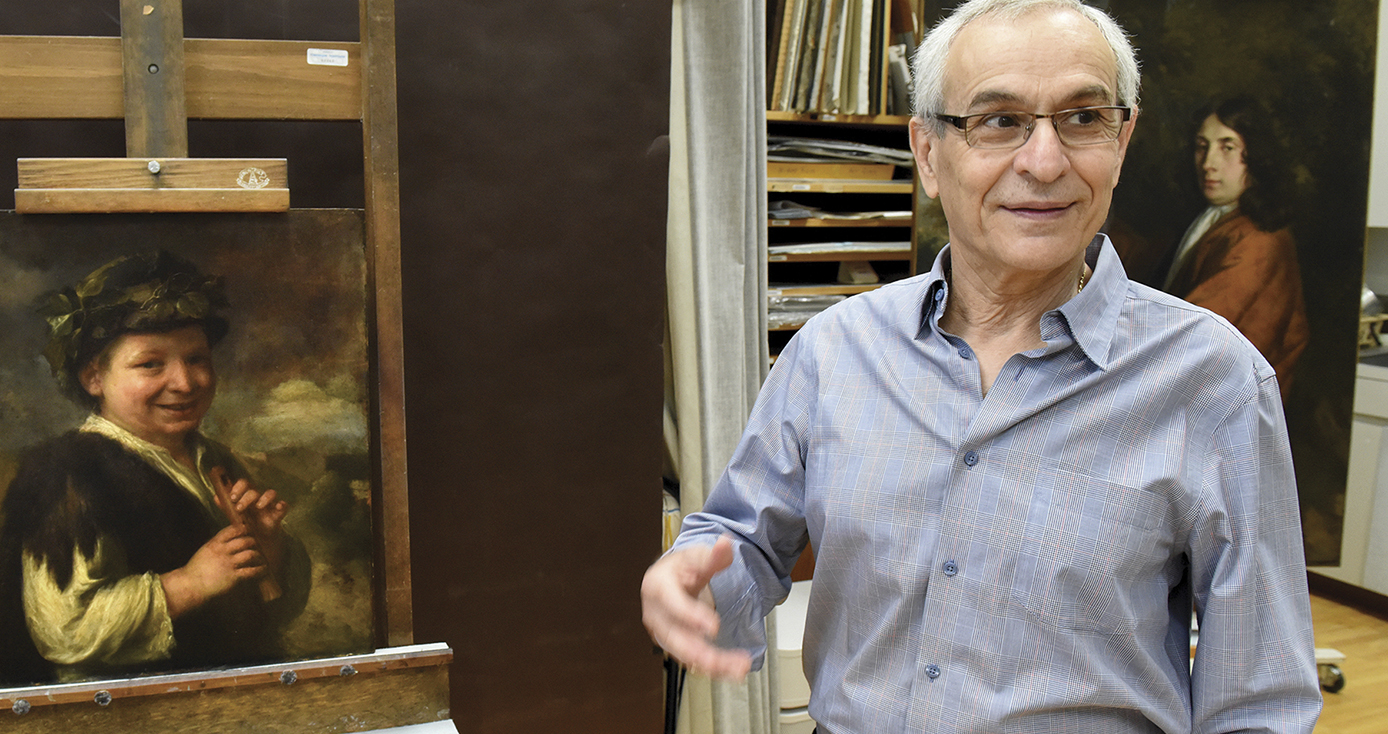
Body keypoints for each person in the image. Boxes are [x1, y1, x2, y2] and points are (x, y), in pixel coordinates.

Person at [641, 1, 1322, 732]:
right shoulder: (835, 349)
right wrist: (697, 584)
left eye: (1083, 118)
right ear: (929, 154)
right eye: (998, 121)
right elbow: (742, 536)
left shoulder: (1214, 382)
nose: (1044, 161)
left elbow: (1261, 704)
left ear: (1121, 142)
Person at [0, 251, 311, 685]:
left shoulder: (218, 460)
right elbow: (65, 632)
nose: (184, 383)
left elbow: (277, 612)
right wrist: (191, 583)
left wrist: (267, 549)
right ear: (94, 378)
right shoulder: (66, 474)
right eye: (151, 364)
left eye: (197, 359)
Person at [1163, 96, 1309, 403]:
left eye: (1227, 147)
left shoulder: (1259, 241)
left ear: (1254, 155)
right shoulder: (1220, 218)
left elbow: (1192, 332)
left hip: (1230, 411)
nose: (1208, 163)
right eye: (1202, 146)